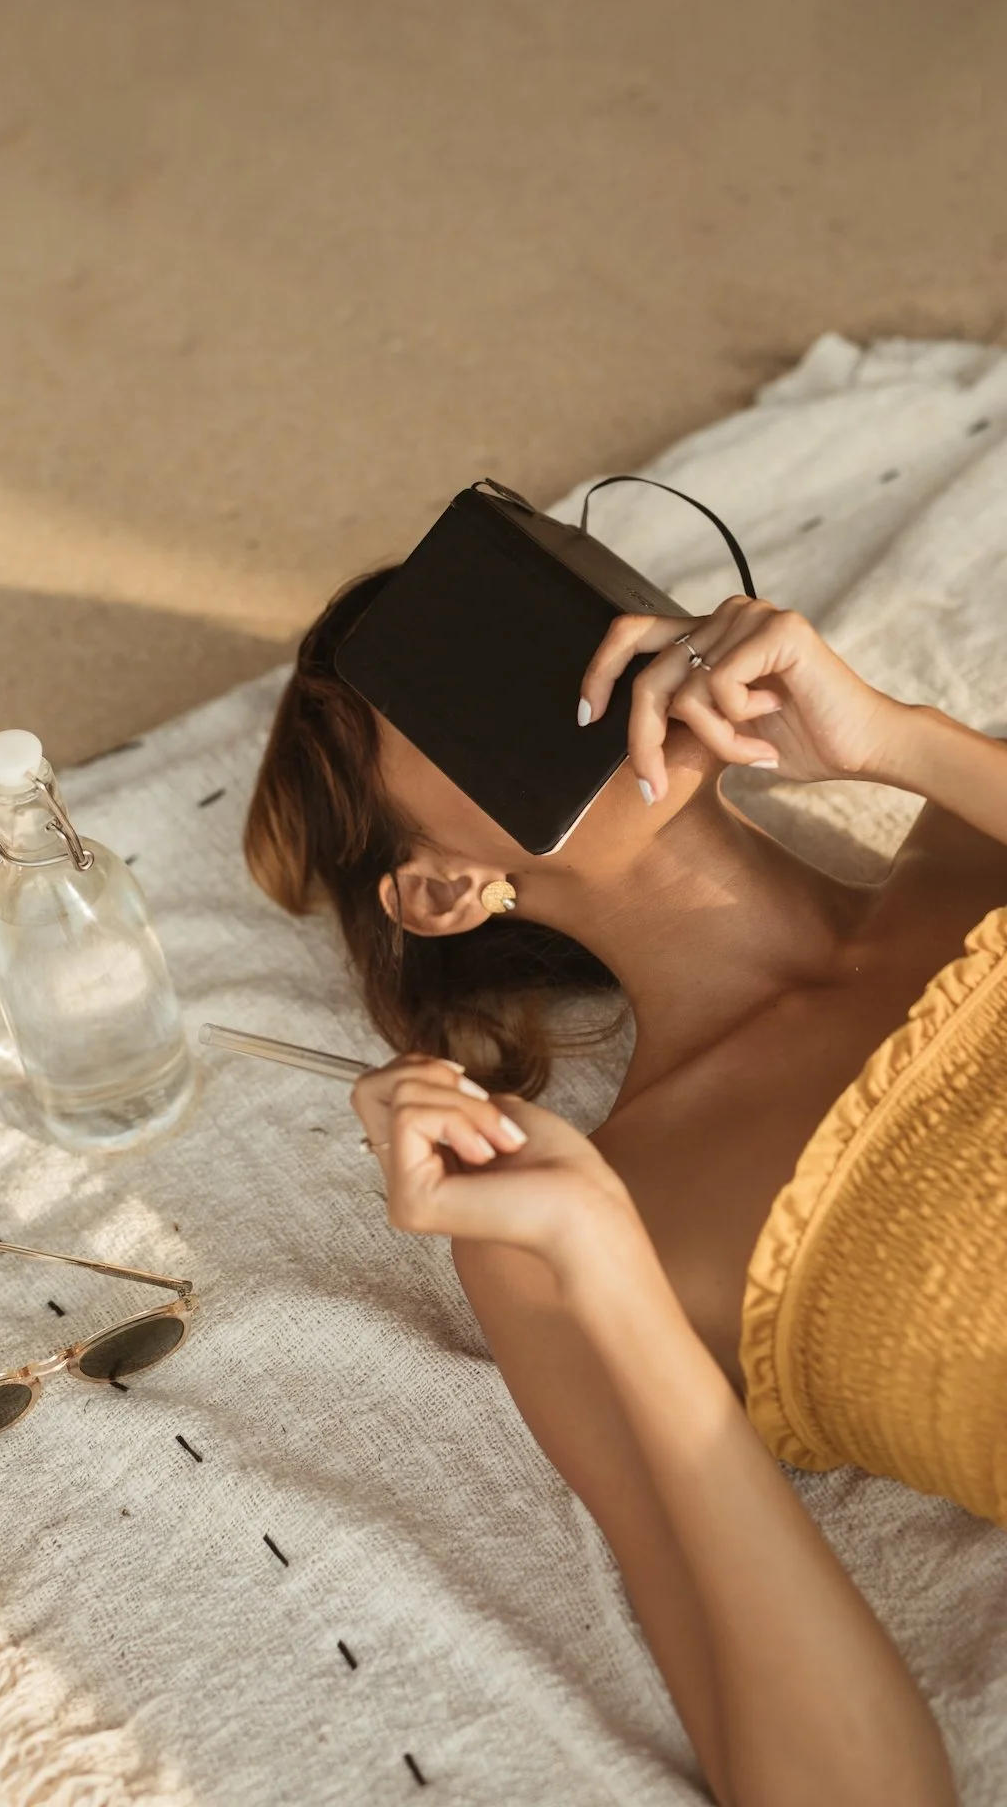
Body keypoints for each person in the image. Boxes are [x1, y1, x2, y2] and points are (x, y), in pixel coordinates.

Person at [245, 576, 1007, 1807]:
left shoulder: (973, 815)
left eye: (563, 604)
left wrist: (898, 742)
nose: (576, 673)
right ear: (442, 890)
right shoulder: (577, 1224)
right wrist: (604, 1265)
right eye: (463, 690)